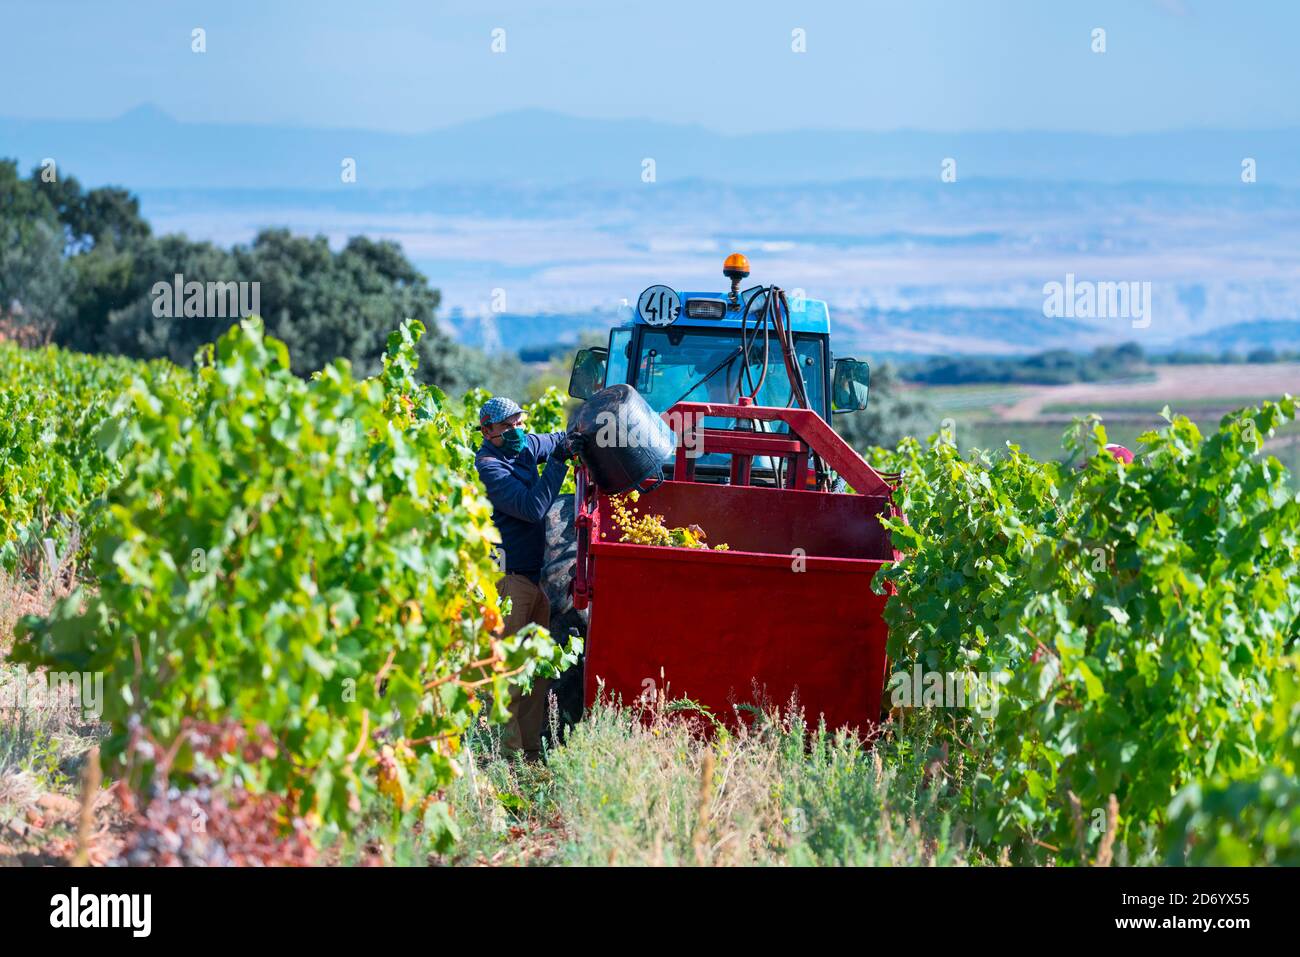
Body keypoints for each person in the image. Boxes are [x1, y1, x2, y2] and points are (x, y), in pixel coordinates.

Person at [474, 396, 584, 761]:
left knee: (534, 673)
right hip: (508, 583)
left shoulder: (522, 445)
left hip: (533, 581)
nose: (517, 431)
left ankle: (531, 753)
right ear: (488, 431)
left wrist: (572, 439)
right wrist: (558, 463)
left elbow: (553, 440)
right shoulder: (490, 467)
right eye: (507, 427)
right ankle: (504, 759)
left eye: (520, 423)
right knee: (507, 676)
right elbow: (533, 508)